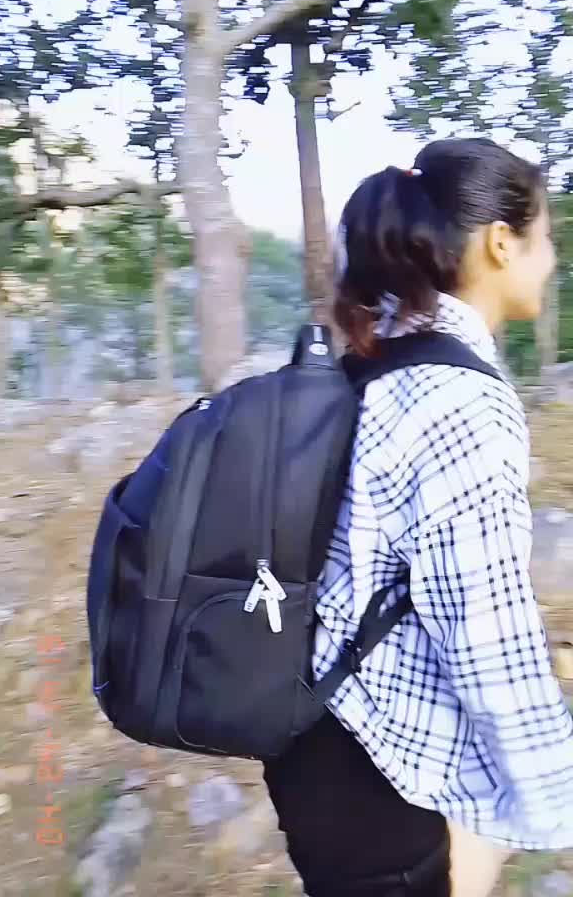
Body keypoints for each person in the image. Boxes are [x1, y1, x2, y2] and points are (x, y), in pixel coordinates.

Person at [263, 138, 573, 897]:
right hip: (386, 783)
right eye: (547, 238)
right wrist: (557, 797)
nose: (553, 261)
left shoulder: (377, 360)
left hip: (316, 741)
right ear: (501, 243)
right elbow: (485, 636)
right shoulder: (458, 399)